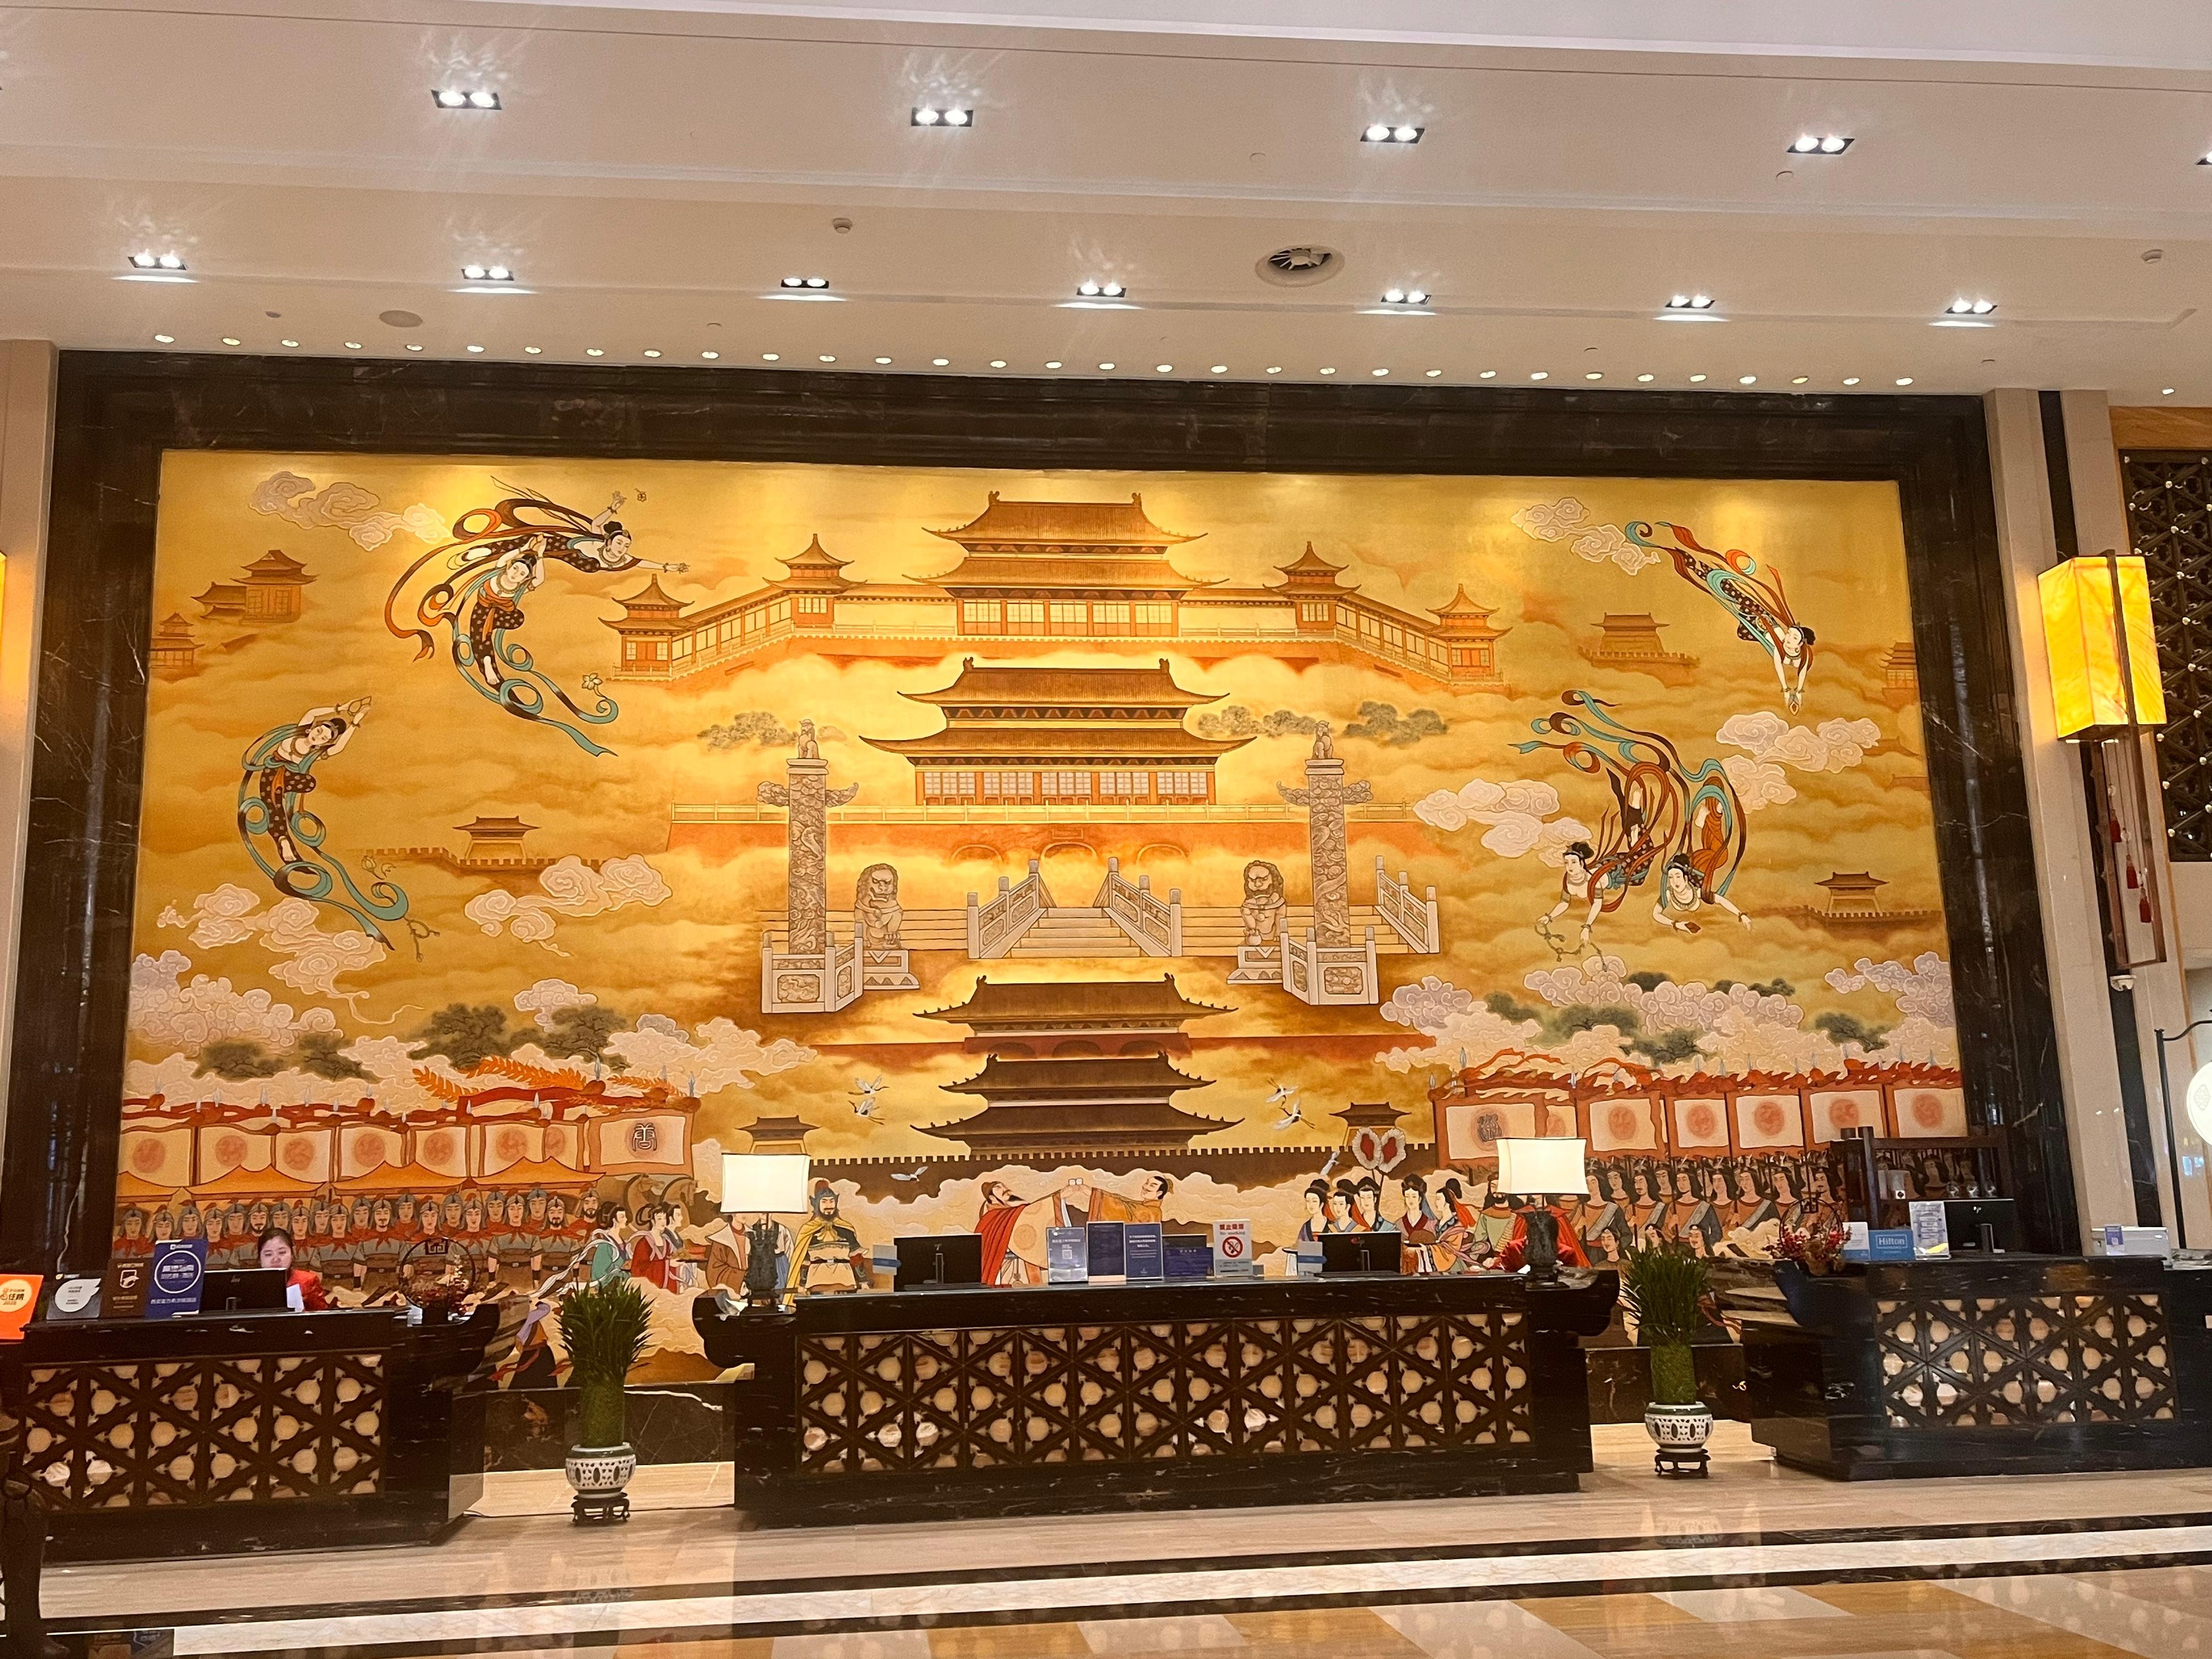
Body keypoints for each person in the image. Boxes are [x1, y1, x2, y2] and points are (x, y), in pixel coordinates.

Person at [257, 1227, 330, 1311]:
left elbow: (321, 1316)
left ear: (292, 1255)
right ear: (260, 1259)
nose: (276, 1259)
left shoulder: (308, 1281)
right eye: (268, 1254)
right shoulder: (251, 1284)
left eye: (282, 1252)